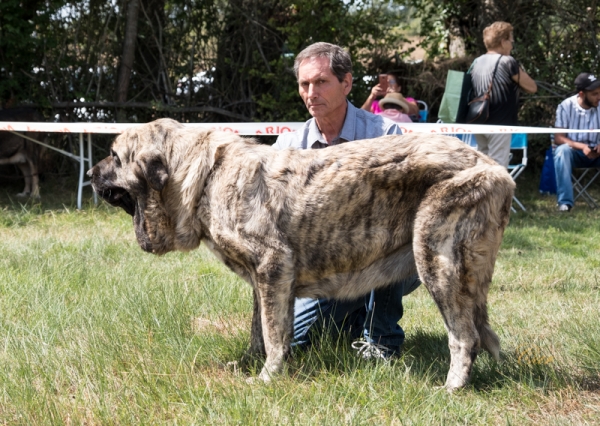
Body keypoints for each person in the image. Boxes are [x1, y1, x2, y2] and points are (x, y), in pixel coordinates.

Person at [273, 42, 421, 359]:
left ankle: (382, 341)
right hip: (325, 266)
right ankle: (353, 316)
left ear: (347, 83)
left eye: (321, 81)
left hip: (390, 258)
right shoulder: (288, 146)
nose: (311, 92)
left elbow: (408, 211)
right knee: (295, 343)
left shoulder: (386, 135)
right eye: (304, 84)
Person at [469, 21, 537, 167]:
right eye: (511, 41)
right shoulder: (507, 61)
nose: (512, 45)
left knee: (483, 166)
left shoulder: (476, 61)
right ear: (503, 41)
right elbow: (532, 87)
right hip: (500, 124)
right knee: (498, 169)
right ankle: (498, 191)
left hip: (478, 120)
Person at [553, 72, 600, 212]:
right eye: (594, 94)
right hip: (574, 153)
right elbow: (559, 138)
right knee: (562, 151)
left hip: (598, 153)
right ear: (581, 94)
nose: (599, 97)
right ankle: (565, 204)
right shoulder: (565, 106)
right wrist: (582, 147)